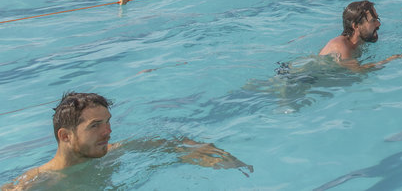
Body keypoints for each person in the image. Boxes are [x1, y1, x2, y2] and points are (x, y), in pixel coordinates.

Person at [5, 92, 250, 189]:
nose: (108, 131)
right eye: (95, 125)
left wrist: (200, 151)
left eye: (107, 122)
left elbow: (160, 144)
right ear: (65, 136)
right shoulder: (37, 183)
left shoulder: (109, 154)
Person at [319, 0, 402, 70]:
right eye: (373, 21)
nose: (378, 24)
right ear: (356, 26)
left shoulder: (360, 41)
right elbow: (357, 71)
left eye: (377, 19)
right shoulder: (340, 46)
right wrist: (392, 59)